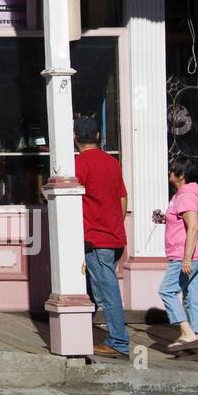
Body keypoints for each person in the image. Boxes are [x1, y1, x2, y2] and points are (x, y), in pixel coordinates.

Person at [73, 114, 130, 359]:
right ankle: (80, 333)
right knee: (90, 288)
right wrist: (115, 222)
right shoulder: (112, 163)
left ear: (76, 138)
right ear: (97, 136)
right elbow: (122, 198)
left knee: (106, 293)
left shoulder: (79, 164)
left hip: (95, 239)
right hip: (114, 236)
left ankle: (119, 341)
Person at [157, 158, 198, 360]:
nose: (169, 173)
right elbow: (184, 221)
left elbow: (193, 228)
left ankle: (187, 333)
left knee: (167, 291)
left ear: (181, 176)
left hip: (185, 255)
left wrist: (186, 258)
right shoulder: (185, 196)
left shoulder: (186, 197)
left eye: (172, 171)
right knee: (193, 299)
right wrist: (165, 218)